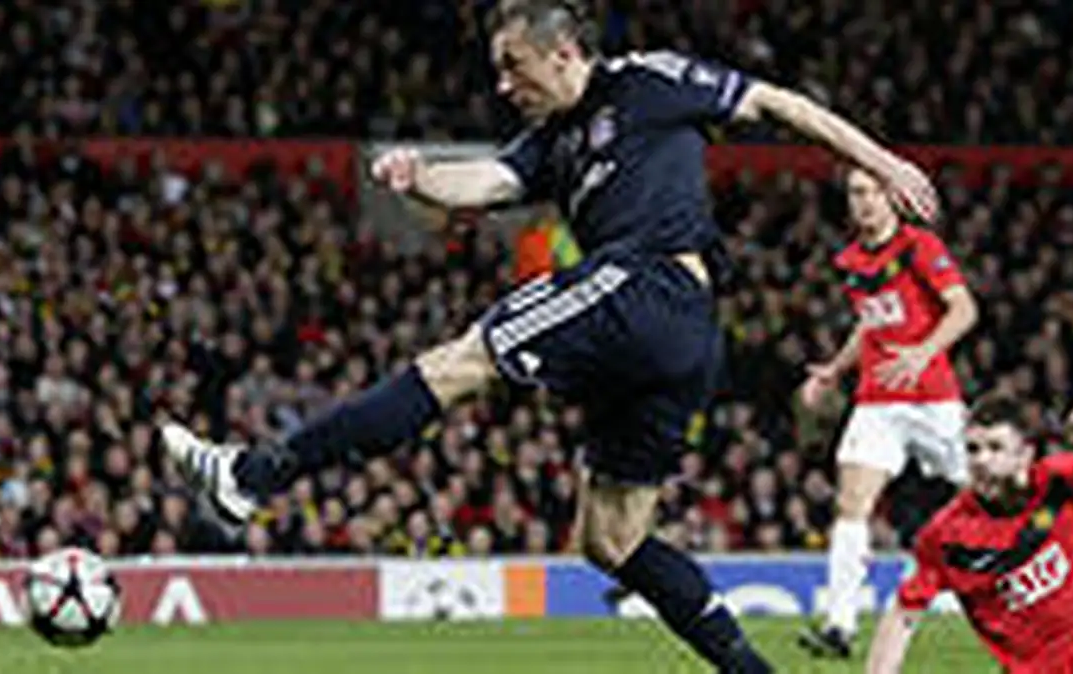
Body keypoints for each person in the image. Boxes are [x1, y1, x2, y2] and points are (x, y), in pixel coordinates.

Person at [159, 1, 934, 671]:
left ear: (562, 52)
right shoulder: (548, 142)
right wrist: (418, 174)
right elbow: (485, 182)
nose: (503, 85)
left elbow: (778, 103)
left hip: (649, 283)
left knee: (461, 360)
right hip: (677, 336)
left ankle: (254, 475)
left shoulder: (646, 80)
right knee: (610, 541)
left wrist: (880, 159)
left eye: (512, 66)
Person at [797, 165, 978, 657]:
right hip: (876, 401)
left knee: (991, 489)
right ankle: (839, 625)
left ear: (893, 199)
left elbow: (964, 309)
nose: (865, 202)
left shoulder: (920, 246)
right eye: (856, 192)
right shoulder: (850, 259)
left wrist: (922, 353)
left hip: (933, 398)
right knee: (850, 504)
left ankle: (1071, 560)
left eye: (874, 192)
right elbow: (870, 323)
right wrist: (835, 370)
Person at [865, 396, 1073, 673]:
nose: (981, 460)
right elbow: (903, 615)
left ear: (1024, 455)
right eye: (973, 449)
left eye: (995, 448)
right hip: (1061, 667)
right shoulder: (947, 536)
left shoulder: (1056, 481)